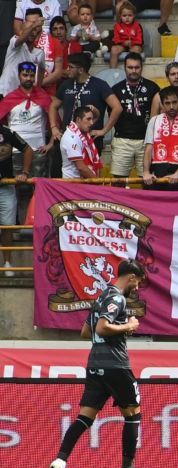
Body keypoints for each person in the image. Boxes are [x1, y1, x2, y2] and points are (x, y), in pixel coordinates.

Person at [49, 259, 151, 468]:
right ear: (132, 277)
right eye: (138, 283)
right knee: (133, 413)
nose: (137, 288)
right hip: (116, 365)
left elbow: (85, 331)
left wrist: (117, 329)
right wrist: (129, 326)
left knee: (85, 417)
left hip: (95, 364)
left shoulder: (101, 297)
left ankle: (60, 461)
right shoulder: (117, 298)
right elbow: (101, 328)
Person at [49, 52, 122, 159]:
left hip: (90, 138)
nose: (67, 69)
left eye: (71, 67)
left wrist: (104, 131)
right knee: (61, 173)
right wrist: (54, 127)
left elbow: (117, 108)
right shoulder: (66, 84)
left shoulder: (99, 85)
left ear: (81, 70)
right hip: (67, 136)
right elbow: (53, 106)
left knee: (89, 172)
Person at [0, 61, 51, 205]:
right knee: (12, 191)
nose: (28, 78)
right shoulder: (10, 97)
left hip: (38, 151)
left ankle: (35, 224)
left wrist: (51, 142)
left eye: (31, 75)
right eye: (25, 75)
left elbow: (54, 121)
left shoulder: (43, 96)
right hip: (14, 152)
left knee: (39, 191)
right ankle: (15, 225)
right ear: (19, 76)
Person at [110, 53, 159, 179]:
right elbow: (112, 114)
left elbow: (158, 115)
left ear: (142, 68)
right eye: (130, 67)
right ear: (124, 68)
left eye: (137, 67)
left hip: (146, 141)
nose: (133, 71)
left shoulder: (152, 87)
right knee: (118, 180)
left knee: (147, 180)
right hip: (122, 140)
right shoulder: (116, 89)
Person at [143, 85, 178, 190]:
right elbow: (148, 149)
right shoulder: (154, 121)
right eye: (167, 103)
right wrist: (146, 172)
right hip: (157, 169)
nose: (171, 106)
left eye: (174, 102)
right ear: (162, 104)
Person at [0, 120, 32, 274]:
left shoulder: (8, 132)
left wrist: (25, 172)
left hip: (6, 186)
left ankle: (7, 263)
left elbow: (28, 149)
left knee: (7, 226)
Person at [0, 8, 47, 96]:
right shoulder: (15, 42)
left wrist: (38, 88)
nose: (32, 32)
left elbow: (42, 68)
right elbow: (21, 39)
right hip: (4, 93)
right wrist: (34, 25)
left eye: (35, 29)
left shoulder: (39, 53)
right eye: (29, 28)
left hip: (22, 97)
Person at [60, 105, 102, 179]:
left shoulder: (82, 132)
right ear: (78, 119)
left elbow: (97, 116)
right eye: (88, 119)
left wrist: (94, 109)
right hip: (73, 184)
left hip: (82, 182)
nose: (92, 123)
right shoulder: (71, 137)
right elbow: (81, 168)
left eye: (92, 119)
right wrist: (98, 183)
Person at [34, 15, 68, 96]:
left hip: (64, 86)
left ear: (66, 30)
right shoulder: (42, 45)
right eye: (55, 29)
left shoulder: (74, 45)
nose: (58, 32)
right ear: (51, 32)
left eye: (61, 28)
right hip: (48, 84)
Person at [109, 1, 143, 69]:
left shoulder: (137, 26)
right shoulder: (117, 26)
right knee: (114, 49)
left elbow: (140, 41)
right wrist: (124, 43)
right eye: (124, 16)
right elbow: (116, 40)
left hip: (133, 45)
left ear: (134, 16)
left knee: (136, 49)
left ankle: (134, 69)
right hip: (121, 45)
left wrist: (132, 43)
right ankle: (112, 71)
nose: (127, 18)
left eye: (130, 15)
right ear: (120, 16)